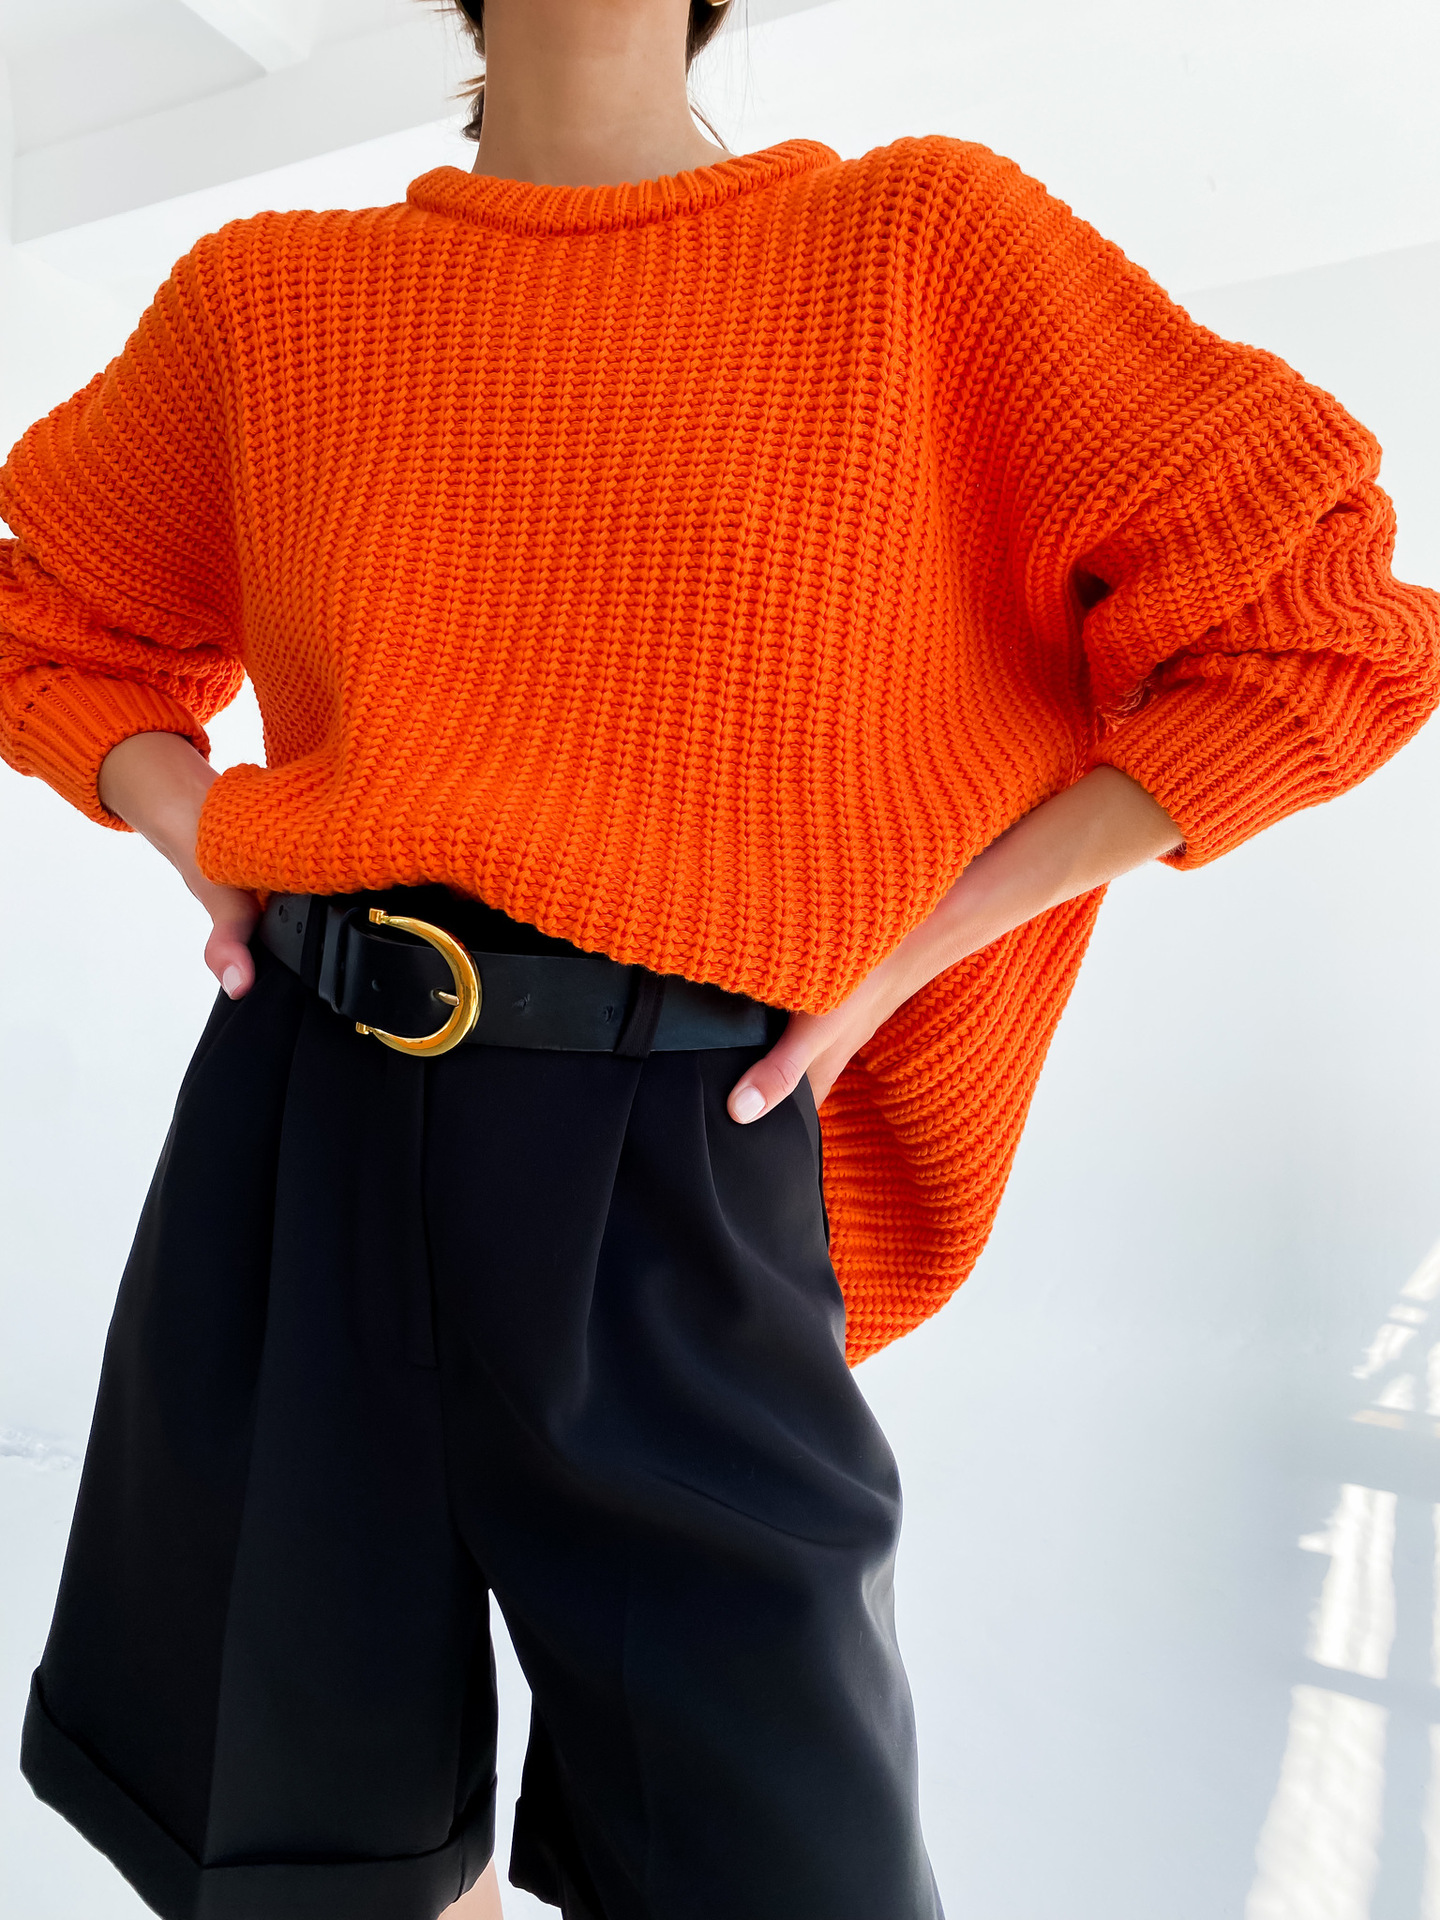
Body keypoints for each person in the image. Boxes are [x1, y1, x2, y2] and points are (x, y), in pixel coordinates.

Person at [4, 0, 1438, 1914]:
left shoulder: (921, 249)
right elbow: (50, 612)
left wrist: (911, 951)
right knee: (314, 1847)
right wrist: (204, 829)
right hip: (308, 1111)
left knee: (785, 1862)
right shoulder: (271, 305)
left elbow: (1324, 628)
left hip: (682, 1136)